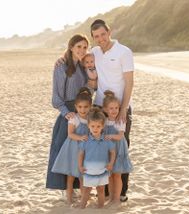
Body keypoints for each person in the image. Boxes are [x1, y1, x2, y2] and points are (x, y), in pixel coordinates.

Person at [90, 19, 134, 202]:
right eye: (96, 36)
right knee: (102, 149)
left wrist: (124, 108)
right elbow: (79, 59)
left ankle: (122, 193)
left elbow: (129, 82)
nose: (100, 39)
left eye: (102, 34)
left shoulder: (124, 52)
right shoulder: (94, 52)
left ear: (109, 32)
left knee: (121, 148)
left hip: (119, 109)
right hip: (100, 107)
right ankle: (107, 191)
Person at [46, 34, 90, 191]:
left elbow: (89, 90)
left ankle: (78, 188)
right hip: (69, 113)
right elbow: (56, 97)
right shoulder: (61, 66)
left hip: (83, 112)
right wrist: (66, 113)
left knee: (80, 151)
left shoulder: (84, 66)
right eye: (79, 46)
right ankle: (64, 189)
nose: (82, 50)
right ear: (71, 47)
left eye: (85, 47)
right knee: (63, 151)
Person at [51, 87, 92, 204]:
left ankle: (84, 200)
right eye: (79, 107)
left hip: (85, 151)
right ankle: (69, 200)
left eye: (85, 107)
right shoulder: (74, 118)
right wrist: (80, 138)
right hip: (72, 149)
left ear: (90, 106)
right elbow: (70, 134)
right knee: (70, 177)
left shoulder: (90, 119)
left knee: (82, 176)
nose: (82, 110)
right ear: (75, 107)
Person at [78, 107, 116, 209]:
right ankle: (81, 207)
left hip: (102, 170)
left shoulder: (107, 140)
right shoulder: (86, 140)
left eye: (98, 126)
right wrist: (80, 166)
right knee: (87, 190)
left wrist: (111, 163)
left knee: (101, 190)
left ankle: (100, 208)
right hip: (88, 170)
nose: (95, 128)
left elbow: (113, 152)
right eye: (93, 126)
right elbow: (81, 154)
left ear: (103, 126)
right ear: (88, 126)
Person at [103, 90, 133, 205]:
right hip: (108, 151)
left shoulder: (120, 120)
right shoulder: (105, 121)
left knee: (117, 175)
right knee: (110, 176)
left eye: (116, 108)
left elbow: (120, 136)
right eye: (111, 108)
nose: (114, 110)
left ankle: (116, 197)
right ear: (105, 109)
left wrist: (109, 136)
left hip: (119, 149)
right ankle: (111, 197)